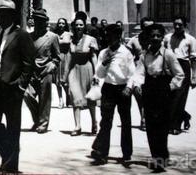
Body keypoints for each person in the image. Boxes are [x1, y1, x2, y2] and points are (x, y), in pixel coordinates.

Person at [0, 0, 35, 173]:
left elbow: (29, 63)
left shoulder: (21, 35)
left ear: (12, 15)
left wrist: (21, 86)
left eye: (4, 14)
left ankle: (10, 166)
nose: (0, 17)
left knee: (13, 126)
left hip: (12, 88)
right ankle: (9, 152)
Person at [130, 23, 185, 173]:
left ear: (162, 38)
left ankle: (161, 157)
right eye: (152, 35)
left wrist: (170, 87)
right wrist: (137, 85)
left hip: (164, 90)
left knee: (161, 126)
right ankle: (156, 156)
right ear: (148, 37)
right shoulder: (144, 55)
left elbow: (180, 74)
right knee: (151, 126)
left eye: (158, 36)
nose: (155, 38)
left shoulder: (168, 54)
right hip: (149, 90)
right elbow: (139, 73)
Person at [90, 24, 135, 166]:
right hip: (108, 89)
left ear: (119, 37)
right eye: (107, 37)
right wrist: (104, 64)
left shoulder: (126, 53)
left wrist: (129, 87)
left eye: (113, 37)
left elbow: (132, 74)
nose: (110, 40)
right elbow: (99, 74)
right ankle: (102, 153)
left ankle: (127, 154)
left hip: (123, 89)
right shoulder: (104, 52)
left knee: (125, 122)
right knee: (106, 122)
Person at [23, 9, 60, 133]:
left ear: (45, 22)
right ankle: (37, 120)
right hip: (31, 72)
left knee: (45, 98)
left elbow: (57, 57)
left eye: (41, 21)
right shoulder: (29, 36)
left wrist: (52, 65)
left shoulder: (52, 37)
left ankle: (43, 124)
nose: (38, 23)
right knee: (27, 94)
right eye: (36, 20)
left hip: (46, 71)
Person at [66, 12, 99, 136]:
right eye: (77, 25)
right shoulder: (71, 40)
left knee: (90, 98)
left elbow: (94, 57)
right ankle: (77, 125)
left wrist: (96, 74)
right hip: (74, 70)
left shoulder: (91, 40)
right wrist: (65, 74)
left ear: (84, 26)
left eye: (81, 25)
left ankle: (94, 122)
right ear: (74, 26)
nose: (79, 27)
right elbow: (69, 58)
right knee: (75, 97)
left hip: (87, 69)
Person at [164, 15, 196, 135]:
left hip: (184, 67)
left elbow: (193, 59)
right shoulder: (167, 38)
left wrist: (193, 77)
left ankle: (175, 125)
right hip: (170, 67)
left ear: (185, 26)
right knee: (169, 97)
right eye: (175, 24)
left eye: (180, 25)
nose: (177, 27)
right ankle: (185, 116)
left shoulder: (190, 39)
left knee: (180, 97)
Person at [127, 17, 154, 130]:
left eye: (151, 27)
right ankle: (144, 119)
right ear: (142, 27)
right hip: (138, 73)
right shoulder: (134, 40)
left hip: (153, 72)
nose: (149, 30)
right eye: (146, 27)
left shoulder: (156, 40)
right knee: (139, 95)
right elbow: (127, 56)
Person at [53, 17, 72, 107]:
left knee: (65, 79)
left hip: (66, 57)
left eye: (63, 23)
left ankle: (68, 98)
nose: (61, 25)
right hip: (57, 57)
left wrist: (57, 41)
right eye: (59, 23)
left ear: (65, 25)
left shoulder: (68, 34)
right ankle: (61, 100)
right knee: (58, 80)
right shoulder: (54, 34)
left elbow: (68, 43)